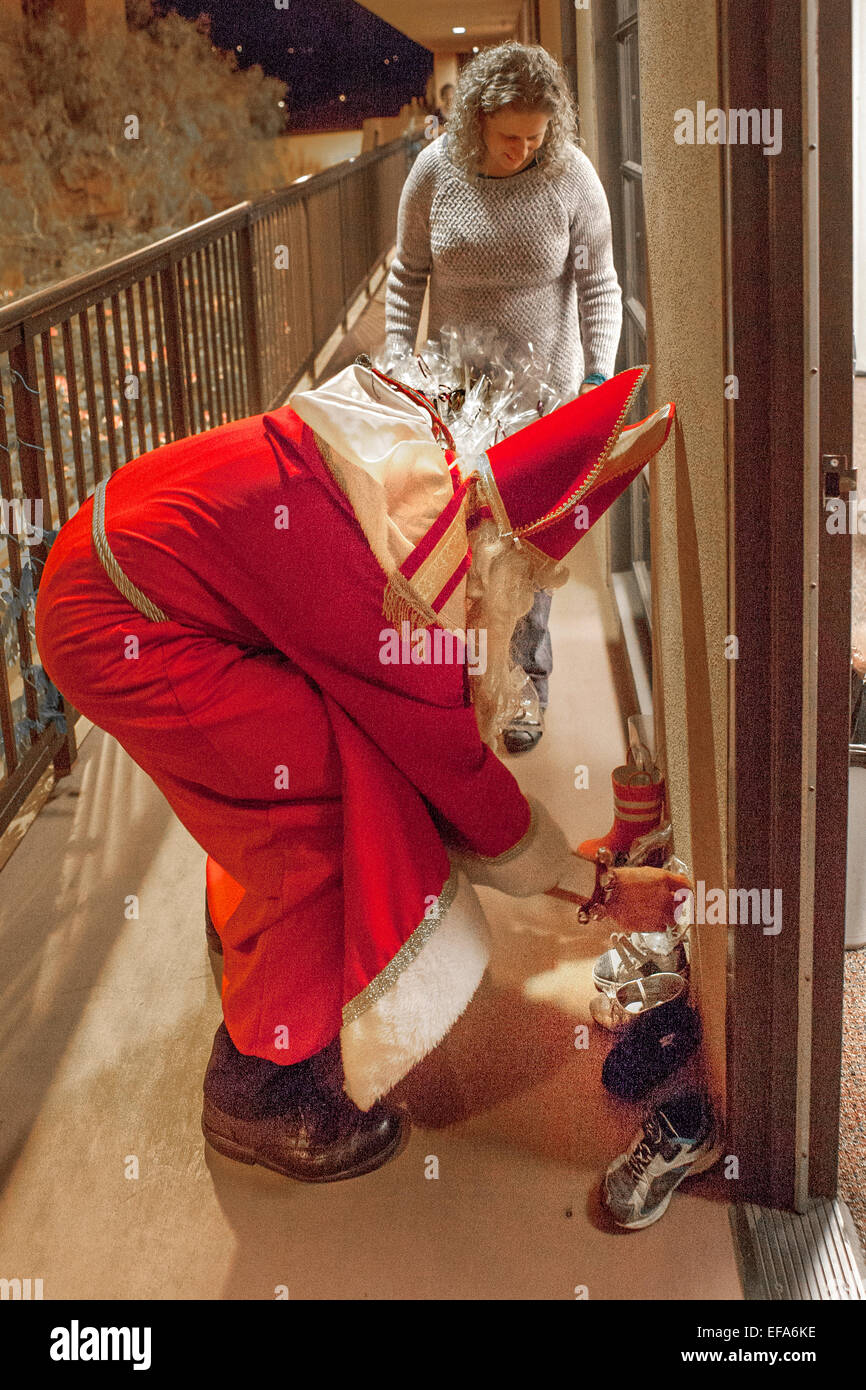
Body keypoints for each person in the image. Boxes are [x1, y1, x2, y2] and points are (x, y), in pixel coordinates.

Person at [34, 358, 677, 1186]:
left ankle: (249, 936)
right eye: (519, 591)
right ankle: (255, 1086)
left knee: (303, 768)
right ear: (491, 564)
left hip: (119, 571)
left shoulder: (395, 501)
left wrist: (567, 874)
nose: (506, 619)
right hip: (116, 621)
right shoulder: (400, 599)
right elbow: (451, 771)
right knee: (319, 802)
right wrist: (590, 884)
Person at [385, 41, 623, 754]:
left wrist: (596, 380)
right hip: (454, 399)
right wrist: (401, 372)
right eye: (508, 137)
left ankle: (525, 692)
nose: (523, 150)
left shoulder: (569, 175)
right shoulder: (435, 173)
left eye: (536, 136)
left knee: (526, 553)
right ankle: (461, 690)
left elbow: (600, 283)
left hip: (544, 399)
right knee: (457, 550)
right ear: (477, 124)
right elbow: (405, 279)